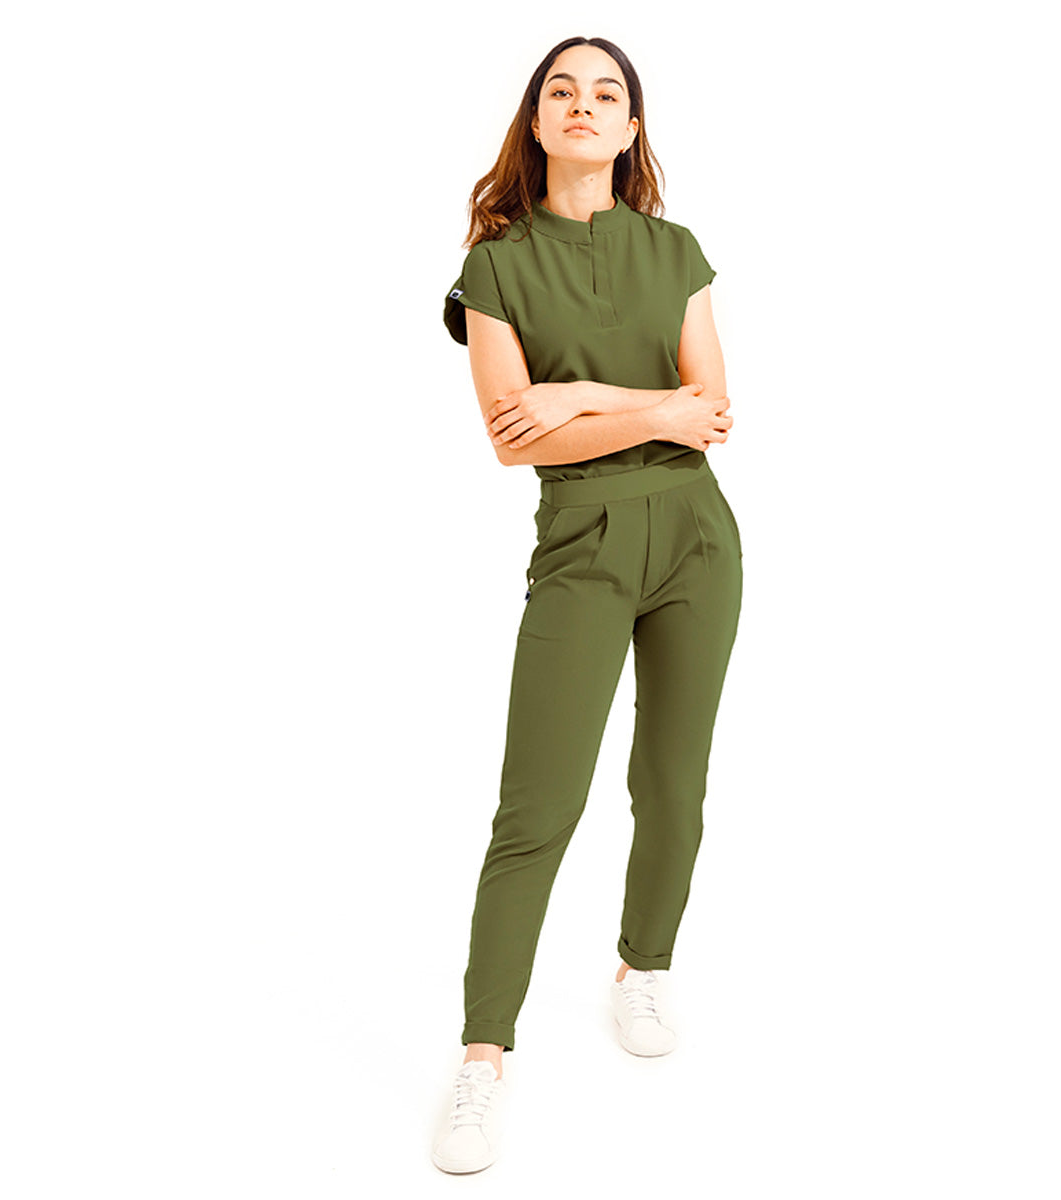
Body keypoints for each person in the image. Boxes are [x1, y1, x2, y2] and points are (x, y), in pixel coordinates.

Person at [431, 35, 743, 1174]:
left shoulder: (676, 250)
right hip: (583, 543)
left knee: (673, 784)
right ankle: (482, 1058)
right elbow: (514, 439)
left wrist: (583, 398)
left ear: (630, 128)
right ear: (536, 119)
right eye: (560, 89)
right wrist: (651, 410)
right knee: (539, 804)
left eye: (606, 92)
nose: (583, 104)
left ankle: (642, 966)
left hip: (698, 539)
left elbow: (714, 410)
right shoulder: (495, 267)